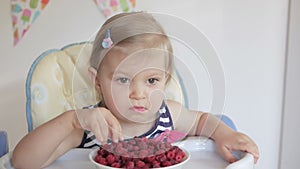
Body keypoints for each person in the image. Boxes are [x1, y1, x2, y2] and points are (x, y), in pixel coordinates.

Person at [12, 12, 259, 169]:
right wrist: (72, 120)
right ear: (97, 81)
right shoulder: (90, 127)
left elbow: (204, 121)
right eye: (122, 80)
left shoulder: (168, 115)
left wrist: (224, 134)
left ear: (165, 80)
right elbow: (23, 162)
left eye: (151, 81)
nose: (138, 94)